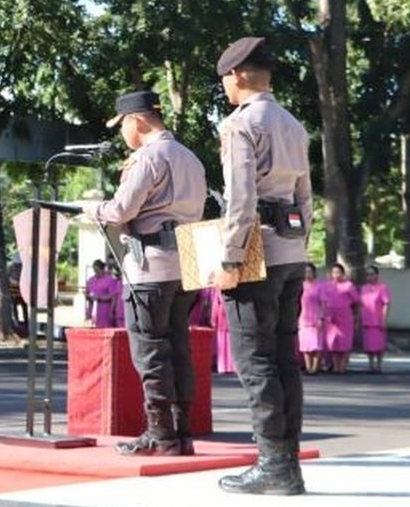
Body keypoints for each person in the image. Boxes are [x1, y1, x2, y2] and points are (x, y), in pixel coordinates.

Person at [81, 90, 206, 457]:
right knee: (180, 347)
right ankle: (183, 433)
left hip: (151, 264)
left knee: (151, 352)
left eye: (121, 125)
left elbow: (121, 210)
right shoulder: (190, 157)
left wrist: (91, 208)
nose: (122, 133)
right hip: (188, 259)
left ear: (136, 120)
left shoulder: (147, 158)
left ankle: (160, 435)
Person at [213, 37, 312, 495]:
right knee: (285, 360)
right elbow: (304, 197)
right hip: (291, 251)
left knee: (256, 363)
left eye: (225, 79)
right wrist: (300, 245)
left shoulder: (240, 124)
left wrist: (230, 258)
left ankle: (273, 465)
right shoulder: (293, 123)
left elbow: (241, 199)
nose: (225, 88)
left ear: (237, 75)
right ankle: (287, 464)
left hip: (256, 254)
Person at [323, 262, 359, 374]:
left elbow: (356, 301)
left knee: (344, 342)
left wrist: (356, 316)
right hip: (331, 318)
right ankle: (335, 365)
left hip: (345, 317)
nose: (336, 275)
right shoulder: (328, 286)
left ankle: (342, 366)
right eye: (334, 272)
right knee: (333, 342)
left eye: (338, 272)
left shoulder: (348, 285)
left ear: (343, 273)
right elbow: (324, 301)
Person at [359, 266, 390, 373]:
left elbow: (386, 304)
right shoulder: (364, 288)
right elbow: (361, 304)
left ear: (377, 275)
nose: (370, 276)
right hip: (367, 320)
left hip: (378, 320)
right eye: (368, 274)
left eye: (372, 274)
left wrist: (384, 319)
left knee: (379, 344)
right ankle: (370, 363)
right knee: (369, 344)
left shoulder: (382, 287)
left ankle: (379, 364)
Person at [297, 264, 326, 375]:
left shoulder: (319, 286)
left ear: (314, 273)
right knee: (305, 345)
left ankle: (315, 367)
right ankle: (308, 367)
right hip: (303, 319)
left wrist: (321, 317)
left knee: (316, 345)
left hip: (316, 318)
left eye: (309, 271)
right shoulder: (301, 286)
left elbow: (323, 303)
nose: (307, 274)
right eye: (305, 272)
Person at [83, 259, 121, 329]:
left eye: (98, 270)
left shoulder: (110, 280)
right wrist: (87, 296)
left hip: (105, 312)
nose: (96, 273)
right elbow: (87, 293)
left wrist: (100, 298)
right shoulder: (91, 280)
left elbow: (114, 296)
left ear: (103, 269)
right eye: (95, 271)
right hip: (93, 313)